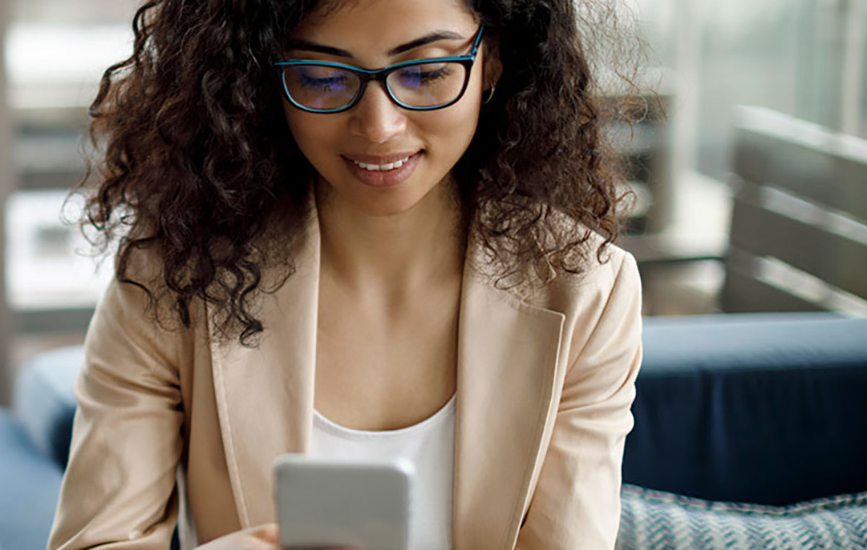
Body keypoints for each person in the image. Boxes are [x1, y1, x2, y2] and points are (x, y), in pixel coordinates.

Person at [48, 0, 645, 548]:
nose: (379, 126)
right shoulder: (172, 277)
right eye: (323, 78)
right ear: (262, 77)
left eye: (427, 71)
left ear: (492, 61)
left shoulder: (588, 291)